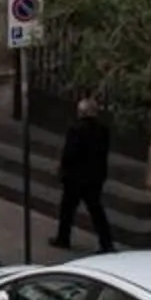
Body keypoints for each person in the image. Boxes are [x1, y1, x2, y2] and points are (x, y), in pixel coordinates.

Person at [56, 98, 116, 252]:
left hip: (75, 177)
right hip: (94, 177)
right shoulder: (103, 130)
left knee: (67, 210)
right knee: (97, 211)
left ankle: (63, 238)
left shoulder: (76, 130)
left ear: (81, 113)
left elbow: (69, 153)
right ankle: (106, 243)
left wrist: (62, 170)